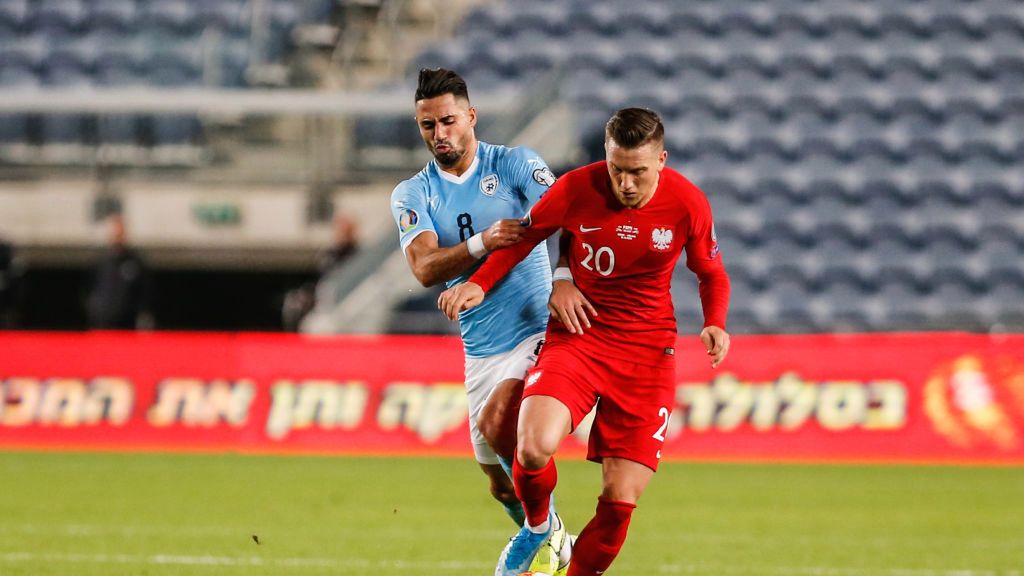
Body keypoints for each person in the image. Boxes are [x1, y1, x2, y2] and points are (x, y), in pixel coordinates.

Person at [439, 107, 732, 576]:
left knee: (620, 501)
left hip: (647, 356)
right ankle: (539, 529)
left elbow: (711, 272)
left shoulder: (687, 203)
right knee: (532, 447)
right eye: (617, 169)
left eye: (638, 172)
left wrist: (715, 322)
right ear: (606, 156)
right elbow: (526, 236)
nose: (626, 184)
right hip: (580, 338)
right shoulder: (577, 187)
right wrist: (481, 282)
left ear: (661, 160)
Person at [388, 68, 571, 572]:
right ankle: (554, 535)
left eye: (448, 121)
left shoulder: (515, 165)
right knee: (499, 484)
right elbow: (425, 268)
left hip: (534, 328)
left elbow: (567, 214)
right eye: (428, 125)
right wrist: (482, 242)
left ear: (471, 116)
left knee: (498, 424)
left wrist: (563, 277)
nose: (439, 134)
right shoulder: (413, 193)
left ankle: (545, 532)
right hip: (481, 349)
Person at [86, 213, 155, 330]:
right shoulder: (100, 261)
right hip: (102, 322)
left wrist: (142, 314)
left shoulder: (135, 261)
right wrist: (94, 308)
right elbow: (87, 287)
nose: (117, 235)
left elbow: (146, 291)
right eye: (114, 232)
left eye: (120, 232)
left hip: (126, 325)